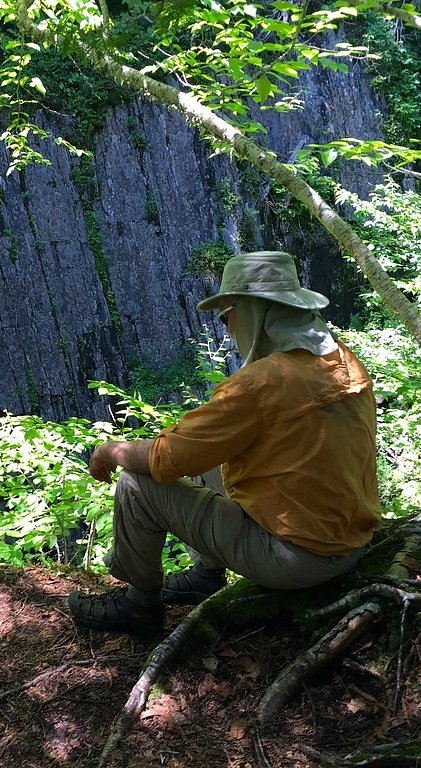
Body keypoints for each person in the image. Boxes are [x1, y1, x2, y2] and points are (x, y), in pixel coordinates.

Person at [69, 250, 380, 634]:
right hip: (349, 543)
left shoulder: (259, 384)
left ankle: (139, 605)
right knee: (211, 461)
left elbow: (167, 457)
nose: (227, 326)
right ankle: (205, 575)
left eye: (228, 313)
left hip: (295, 558)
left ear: (255, 312)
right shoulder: (344, 362)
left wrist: (110, 450)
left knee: (138, 483)